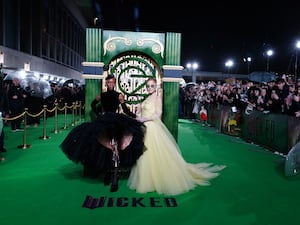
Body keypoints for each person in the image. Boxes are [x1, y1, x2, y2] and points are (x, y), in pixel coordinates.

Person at [127, 78, 225, 196]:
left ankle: (157, 179)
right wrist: (138, 113)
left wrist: (144, 118)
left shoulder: (157, 98)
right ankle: (146, 178)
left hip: (152, 128)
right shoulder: (146, 98)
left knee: (152, 153)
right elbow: (141, 113)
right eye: (148, 86)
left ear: (156, 87)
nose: (149, 88)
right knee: (144, 154)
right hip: (143, 128)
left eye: (152, 86)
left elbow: (157, 114)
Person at [60, 74, 145, 192]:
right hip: (104, 121)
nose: (110, 84)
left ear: (115, 83)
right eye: (108, 82)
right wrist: (99, 114)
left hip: (115, 121)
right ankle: (108, 172)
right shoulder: (102, 95)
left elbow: (125, 109)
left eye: (112, 82)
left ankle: (115, 174)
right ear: (106, 83)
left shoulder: (119, 95)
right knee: (104, 147)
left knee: (115, 145)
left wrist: (135, 117)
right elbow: (92, 105)